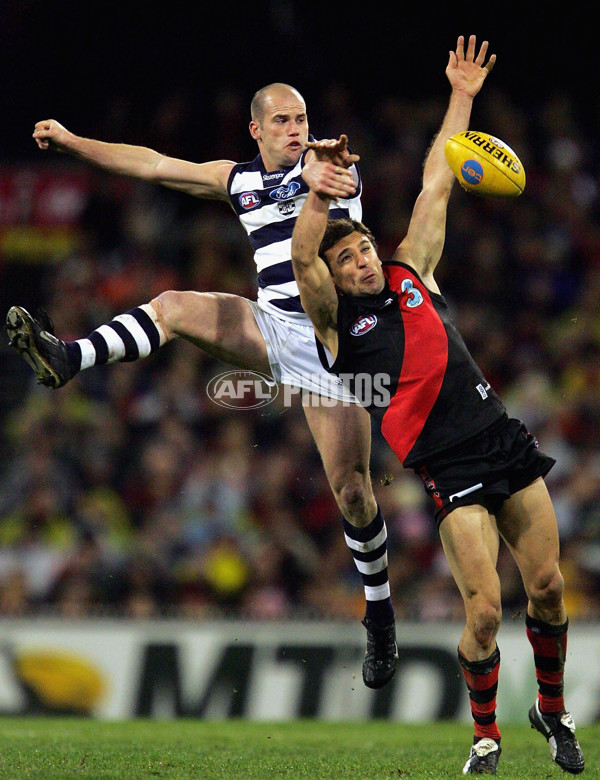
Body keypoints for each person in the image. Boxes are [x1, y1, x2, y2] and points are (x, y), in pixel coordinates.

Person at [6, 83, 399, 688]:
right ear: (256, 130)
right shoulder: (237, 180)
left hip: (334, 341)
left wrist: (332, 172)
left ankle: (379, 613)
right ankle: (68, 356)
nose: (296, 129)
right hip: (274, 329)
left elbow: (339, 200)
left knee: (351, 491)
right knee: (172, 306)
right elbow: (152, 164)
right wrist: (73, 142)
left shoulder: (331, 165)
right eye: (283, 121)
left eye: (302, 119)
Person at [290, 35, 585, 776]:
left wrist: (462, 96)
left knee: (547, 590)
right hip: (446, 468)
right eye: (346, 257)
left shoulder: (410, 270)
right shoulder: (339, 331)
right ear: (332, 276)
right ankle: (485, 741)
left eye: (361, 250)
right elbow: (300, 262)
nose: (360, 260)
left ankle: (551, 712)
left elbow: (439, 180)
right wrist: (320, 191)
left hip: (503, 442)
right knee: (484, 610)